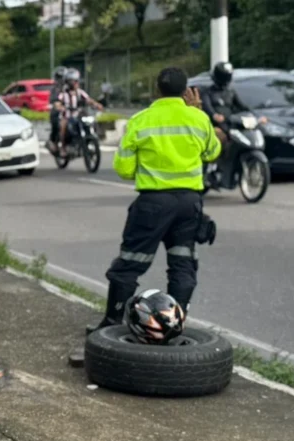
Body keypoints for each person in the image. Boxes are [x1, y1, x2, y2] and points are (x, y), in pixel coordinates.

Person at [87, 67, 222, 333]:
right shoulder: (198, 119)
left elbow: (124, 169)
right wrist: (197, 113)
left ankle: (112, 324)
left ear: (156, 89)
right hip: (189, 204)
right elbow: (212, 152)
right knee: (182, 264)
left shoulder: (140, 120)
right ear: (186, 91)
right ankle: (174, 325)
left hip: (153, 204)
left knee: (129, 264)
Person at [201, 61, 266, 182]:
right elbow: (207, 107)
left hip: (230, 125)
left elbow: (242, 107)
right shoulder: (208, 92)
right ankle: (212, 166)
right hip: (215, 125)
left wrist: (257, 116)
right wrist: (214, 115)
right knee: (220, 138)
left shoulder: (230, 92)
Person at [57, 69, 103, 156]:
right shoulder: (63, 93)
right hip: (67, 116)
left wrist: (97, 105)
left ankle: (90, 139)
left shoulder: (80, 92)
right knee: (63, 126)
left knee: (90, 122)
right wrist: (61, 107)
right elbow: (58, 102)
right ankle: (63, 148)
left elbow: (88, 100)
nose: (75, 83)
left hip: (79, 116)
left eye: (75, 81)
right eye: (72, 81)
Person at [46, 66, 68, 154]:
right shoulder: (55, 89)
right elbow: (54, 101)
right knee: (57, 125)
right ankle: (55, 143)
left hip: (70, 112)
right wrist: (60, 106)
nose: (62, 80)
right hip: (58, 113)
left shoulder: (70, 88)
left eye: (63, 77)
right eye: (60, 77)